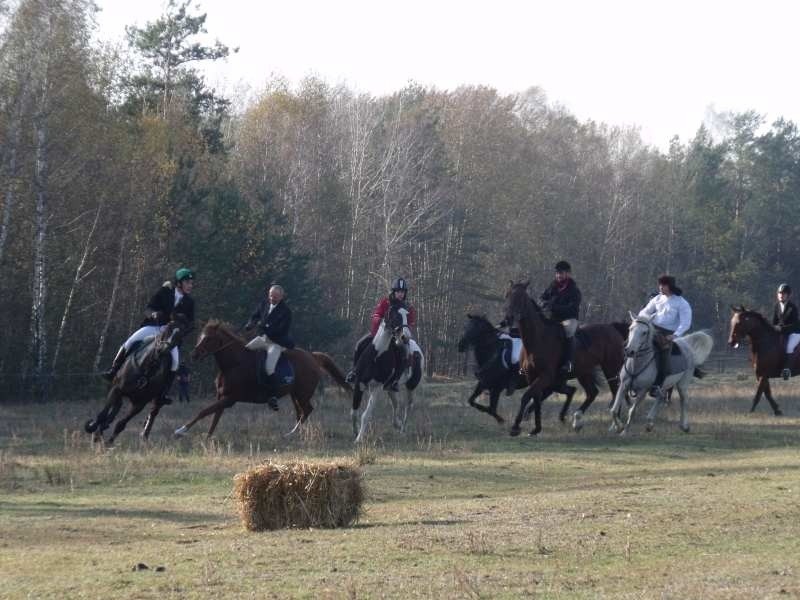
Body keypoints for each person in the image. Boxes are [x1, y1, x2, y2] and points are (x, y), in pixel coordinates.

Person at [102, 268, 196, 405]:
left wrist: (182, 328)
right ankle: (113, 370)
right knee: (129, 342)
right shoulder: (165, 292)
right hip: (153, 326)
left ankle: (163, 394)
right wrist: (153, 314)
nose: (190, 286)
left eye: (191, 283)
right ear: (179, 283)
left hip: (170, 334)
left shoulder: (190, 302)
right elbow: (149, 308)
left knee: (175, 362)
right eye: (188, 282)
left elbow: (191, 324)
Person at [345, 277, 417, 389]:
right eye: (398, 291)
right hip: (382, 334)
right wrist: (379, 320)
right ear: (394, 292)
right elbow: (376, 315)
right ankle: (354, 372)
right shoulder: (385, 302)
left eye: (402, 292)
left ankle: (395, 381)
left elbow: (411, 322)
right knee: (360, 344)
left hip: (398, 336)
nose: (400, 294)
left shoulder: (408, 306)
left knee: (405, 352)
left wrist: (406, 331)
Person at [637, 274, 692, 398]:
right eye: (660, 285)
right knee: (631, 344)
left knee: (663, 354)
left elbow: (685, 323)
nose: (660, 287)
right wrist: (642, 321)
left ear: (670, 286)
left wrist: (675, 335)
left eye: (663, 285)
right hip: (652, 329)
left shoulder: (681, 303)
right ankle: (626, 375)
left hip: (667, 334)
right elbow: (645, 311)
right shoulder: (657, 299)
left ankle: (657, 384)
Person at [244, 284, 295, 411]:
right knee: (245, 351)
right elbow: (255, 315)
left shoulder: (286, 311)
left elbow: (281, 331)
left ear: (281, 297)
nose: (272, 298)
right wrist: (250, 324)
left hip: (276, 343)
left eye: (275, 297)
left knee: (269, 367)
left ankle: (273, 396)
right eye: (271, 295)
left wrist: (264, 327)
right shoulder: (264, 303)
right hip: (263, 339)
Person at [540, 260, 581, 374]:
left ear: (568, 274)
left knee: (568, 332)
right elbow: (542, 297)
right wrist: (544, 303)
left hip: (569, 319)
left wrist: (554, 307)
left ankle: (568, 362)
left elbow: (572, 307)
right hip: (554, 319)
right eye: (557, 273)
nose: (558, 275)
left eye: (561, 273)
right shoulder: (553, 286)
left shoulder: (573, 289)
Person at [772, 283, 800, 380]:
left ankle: (787, 370)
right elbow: (774, 322)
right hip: (782, 333)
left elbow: (795, 325)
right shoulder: (776, 306)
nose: (781, 295)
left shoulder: (793, 307)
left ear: (788, 295)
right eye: (779, 293)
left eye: (783, 293)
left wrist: (782, 329)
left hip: (795, 333)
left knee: (789, 347)